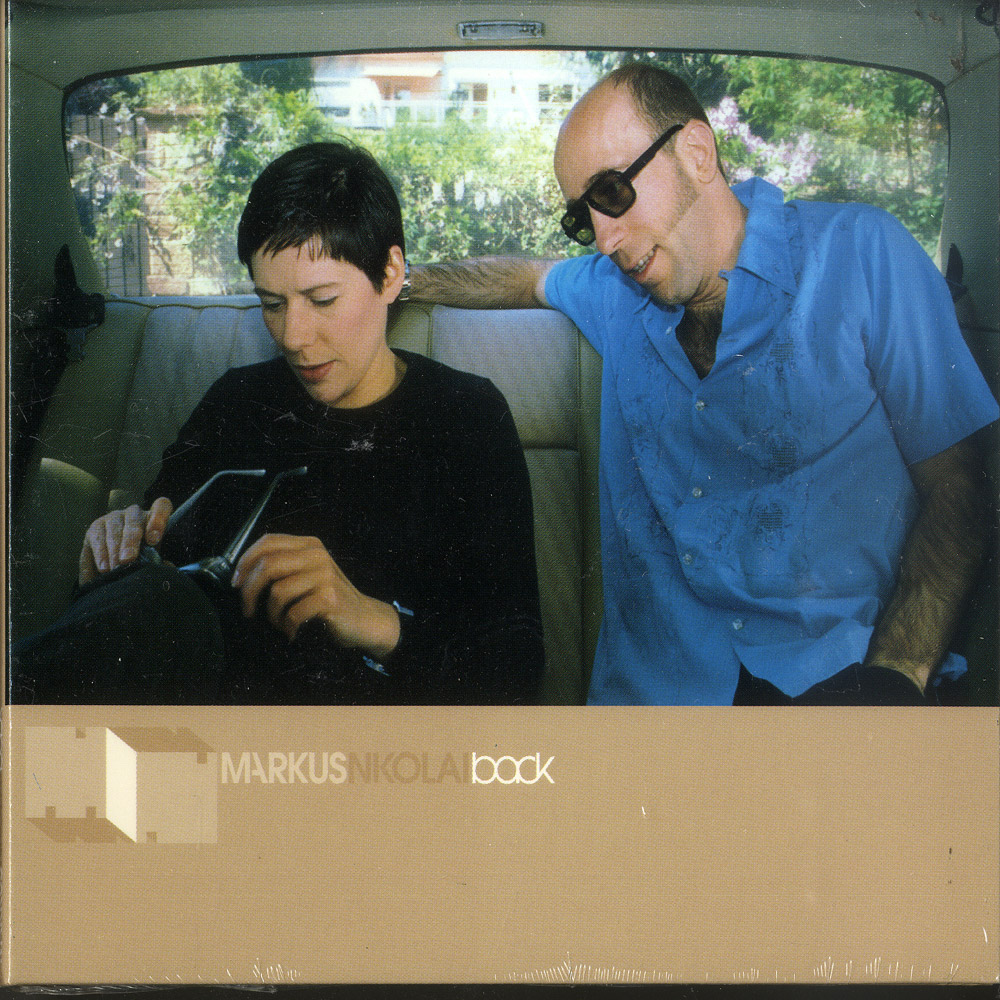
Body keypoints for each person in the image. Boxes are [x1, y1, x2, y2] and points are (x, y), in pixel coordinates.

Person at [406, 62, 999, 706]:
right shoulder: (613, 290)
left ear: (695, 152)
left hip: (842, 682)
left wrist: (892, 678)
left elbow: (959, 486)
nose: (603, 239)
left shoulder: (862, 254)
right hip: (660, 706)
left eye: (612, 192)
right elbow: (525, 277)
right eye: (583, 218)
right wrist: (396, 280)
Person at [15, 141, 545, 705]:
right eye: (272, 303)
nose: (293, 337)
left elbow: (516, 664)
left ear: (390, 274)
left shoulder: (464, 415)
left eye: (322, 300)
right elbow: (151, 567)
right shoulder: (237, 401)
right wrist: (117, 551)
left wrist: (371, 618)